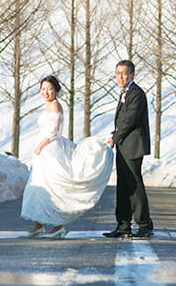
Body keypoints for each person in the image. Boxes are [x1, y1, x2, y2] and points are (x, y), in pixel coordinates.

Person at [20, 75, 113, 238]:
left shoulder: (55, 105)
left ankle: (57, 225)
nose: (46, 92)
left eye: (49, 89)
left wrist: (40, 146)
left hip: (51, 149)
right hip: (46, 151)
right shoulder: (48, 105)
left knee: (54, 187)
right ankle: (39, 223)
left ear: (56, 90)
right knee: (41, 186)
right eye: (43, 89)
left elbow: (54, 131)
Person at [103, 59, 154, 239]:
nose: (121, 77)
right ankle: (123, 225)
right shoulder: (125, 93)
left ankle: (145, 224)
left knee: (134, 185)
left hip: (133, 146)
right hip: (124, 145)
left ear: (132, 74)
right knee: (123, 186)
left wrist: (115, 137)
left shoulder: (137, 93)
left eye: (125, 73)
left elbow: (130, 119)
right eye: (118, 73)